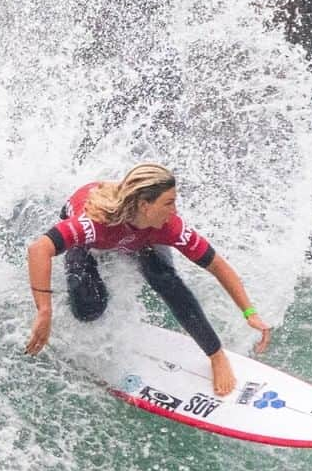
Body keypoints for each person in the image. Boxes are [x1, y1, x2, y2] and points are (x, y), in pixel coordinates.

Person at [25, 164, 270, 396]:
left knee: (164, 278)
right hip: (93, 239)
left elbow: (217, 265)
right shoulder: (93, 223)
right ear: (145, 205)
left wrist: (250, 312)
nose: (175, 211)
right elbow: (39, 249)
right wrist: (44, 311)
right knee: (88, 310)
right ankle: (94, 265)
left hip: (142, 235)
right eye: (169, 203)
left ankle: (216, 355)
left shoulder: (167, 226)